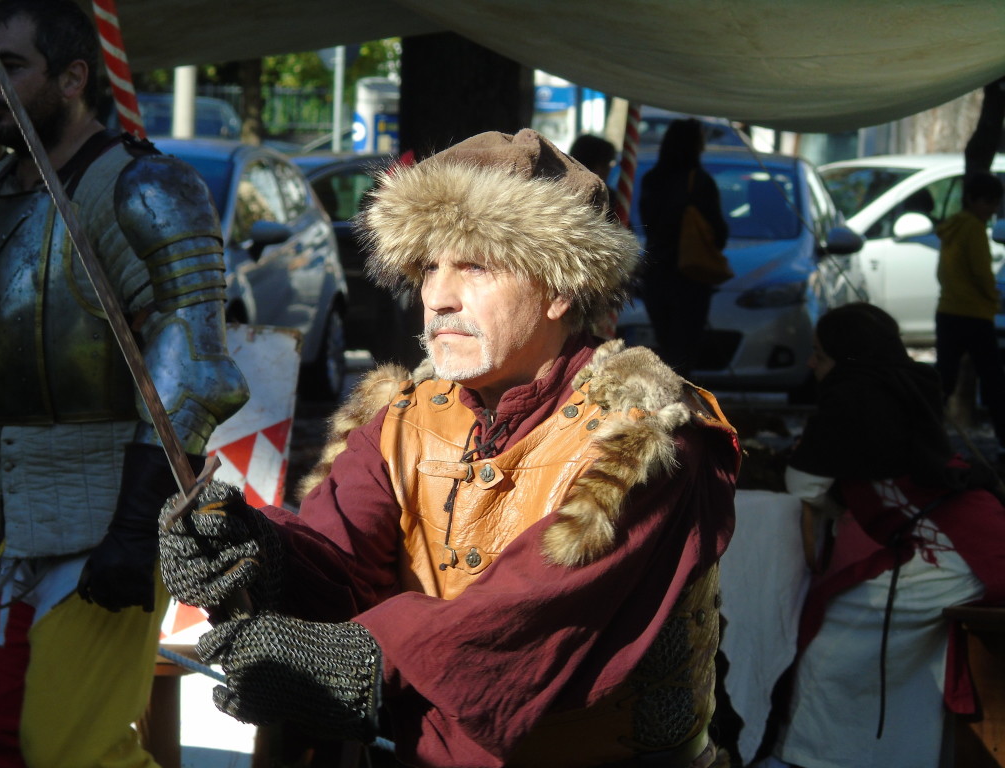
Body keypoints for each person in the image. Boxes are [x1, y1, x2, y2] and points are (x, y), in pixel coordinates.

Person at [159, 128, 741, 768]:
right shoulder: (402, 419)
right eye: (428, 267)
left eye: (474, 265)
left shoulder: (647, 440)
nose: (438, 297)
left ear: (560, 288)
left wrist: (360, 663)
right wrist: (253, 545)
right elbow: (335, 562)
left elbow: (525, 624)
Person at [0, 1, 250, 766]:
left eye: (12, 66)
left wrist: (137, 526)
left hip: (99, 526)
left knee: (76, 751)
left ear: (73, 77)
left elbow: (193, 365)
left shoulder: (145, 188)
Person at [767, 303, 1005, 768]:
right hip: (973, 537)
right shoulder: (906, 383)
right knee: (901, 656)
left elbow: (805, 484)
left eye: (820, 353)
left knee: (833, 646)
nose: (812, 363)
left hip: (958, 553)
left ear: (845, 357)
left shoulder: (852, 397)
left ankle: (813, 759)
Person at [638, 118, 728, 378]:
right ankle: (684, 406)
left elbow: (648, 225)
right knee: (686, 350)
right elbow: (718, 233)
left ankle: (667, 401)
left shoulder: (651, 180)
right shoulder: (700, 182)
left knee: (666, 346)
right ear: (695, 145)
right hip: (690, 276)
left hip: (656, 274)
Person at [934, 169, 1005, 467]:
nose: (990, 210)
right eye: (987, 203)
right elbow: (981, 272)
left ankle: (926, 435)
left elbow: (942, 272)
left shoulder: (951, 228)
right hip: (975, 315)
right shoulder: (973, 229)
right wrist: (994, 300)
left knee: (943, 380)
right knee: (993, 380)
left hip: (948, 311)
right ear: (974, 201)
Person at [569, 133, 619, 221]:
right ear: (599, 167)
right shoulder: (606, 197)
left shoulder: (557, 190)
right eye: (607, 164)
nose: (609, 169)